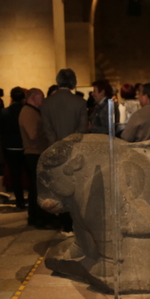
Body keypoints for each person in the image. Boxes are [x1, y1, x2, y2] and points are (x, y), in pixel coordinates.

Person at [42, 69, 87, 232]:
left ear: (58, 81)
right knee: (77, 189)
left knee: (60, 188)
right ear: (73, 82)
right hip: (75, 150)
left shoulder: (47, 103)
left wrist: (56, 146)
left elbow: (47, 129)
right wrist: (71, 145)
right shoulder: (80, 102)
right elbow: (82, 129)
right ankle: (77, 224)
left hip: (55, 151)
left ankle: (65, 224)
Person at [19, 88, 51, 228]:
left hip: (36, 152)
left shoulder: (32, 111)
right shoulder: (28, 112)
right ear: (34, 97)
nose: (43, 100)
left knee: (36, 188)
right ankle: (39, 218)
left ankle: (36, 217)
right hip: (34, 153)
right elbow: (33, 134)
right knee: (37, 189)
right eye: (41, 97)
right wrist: (47, 130)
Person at [0, 86, 27, 209]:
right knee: (29, 174)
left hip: (10, 148)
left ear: (11, 97)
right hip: (25, 147)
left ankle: (19, 201)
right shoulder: (25, 111)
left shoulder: (4, 112)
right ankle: (32, 199)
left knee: (15, 175)